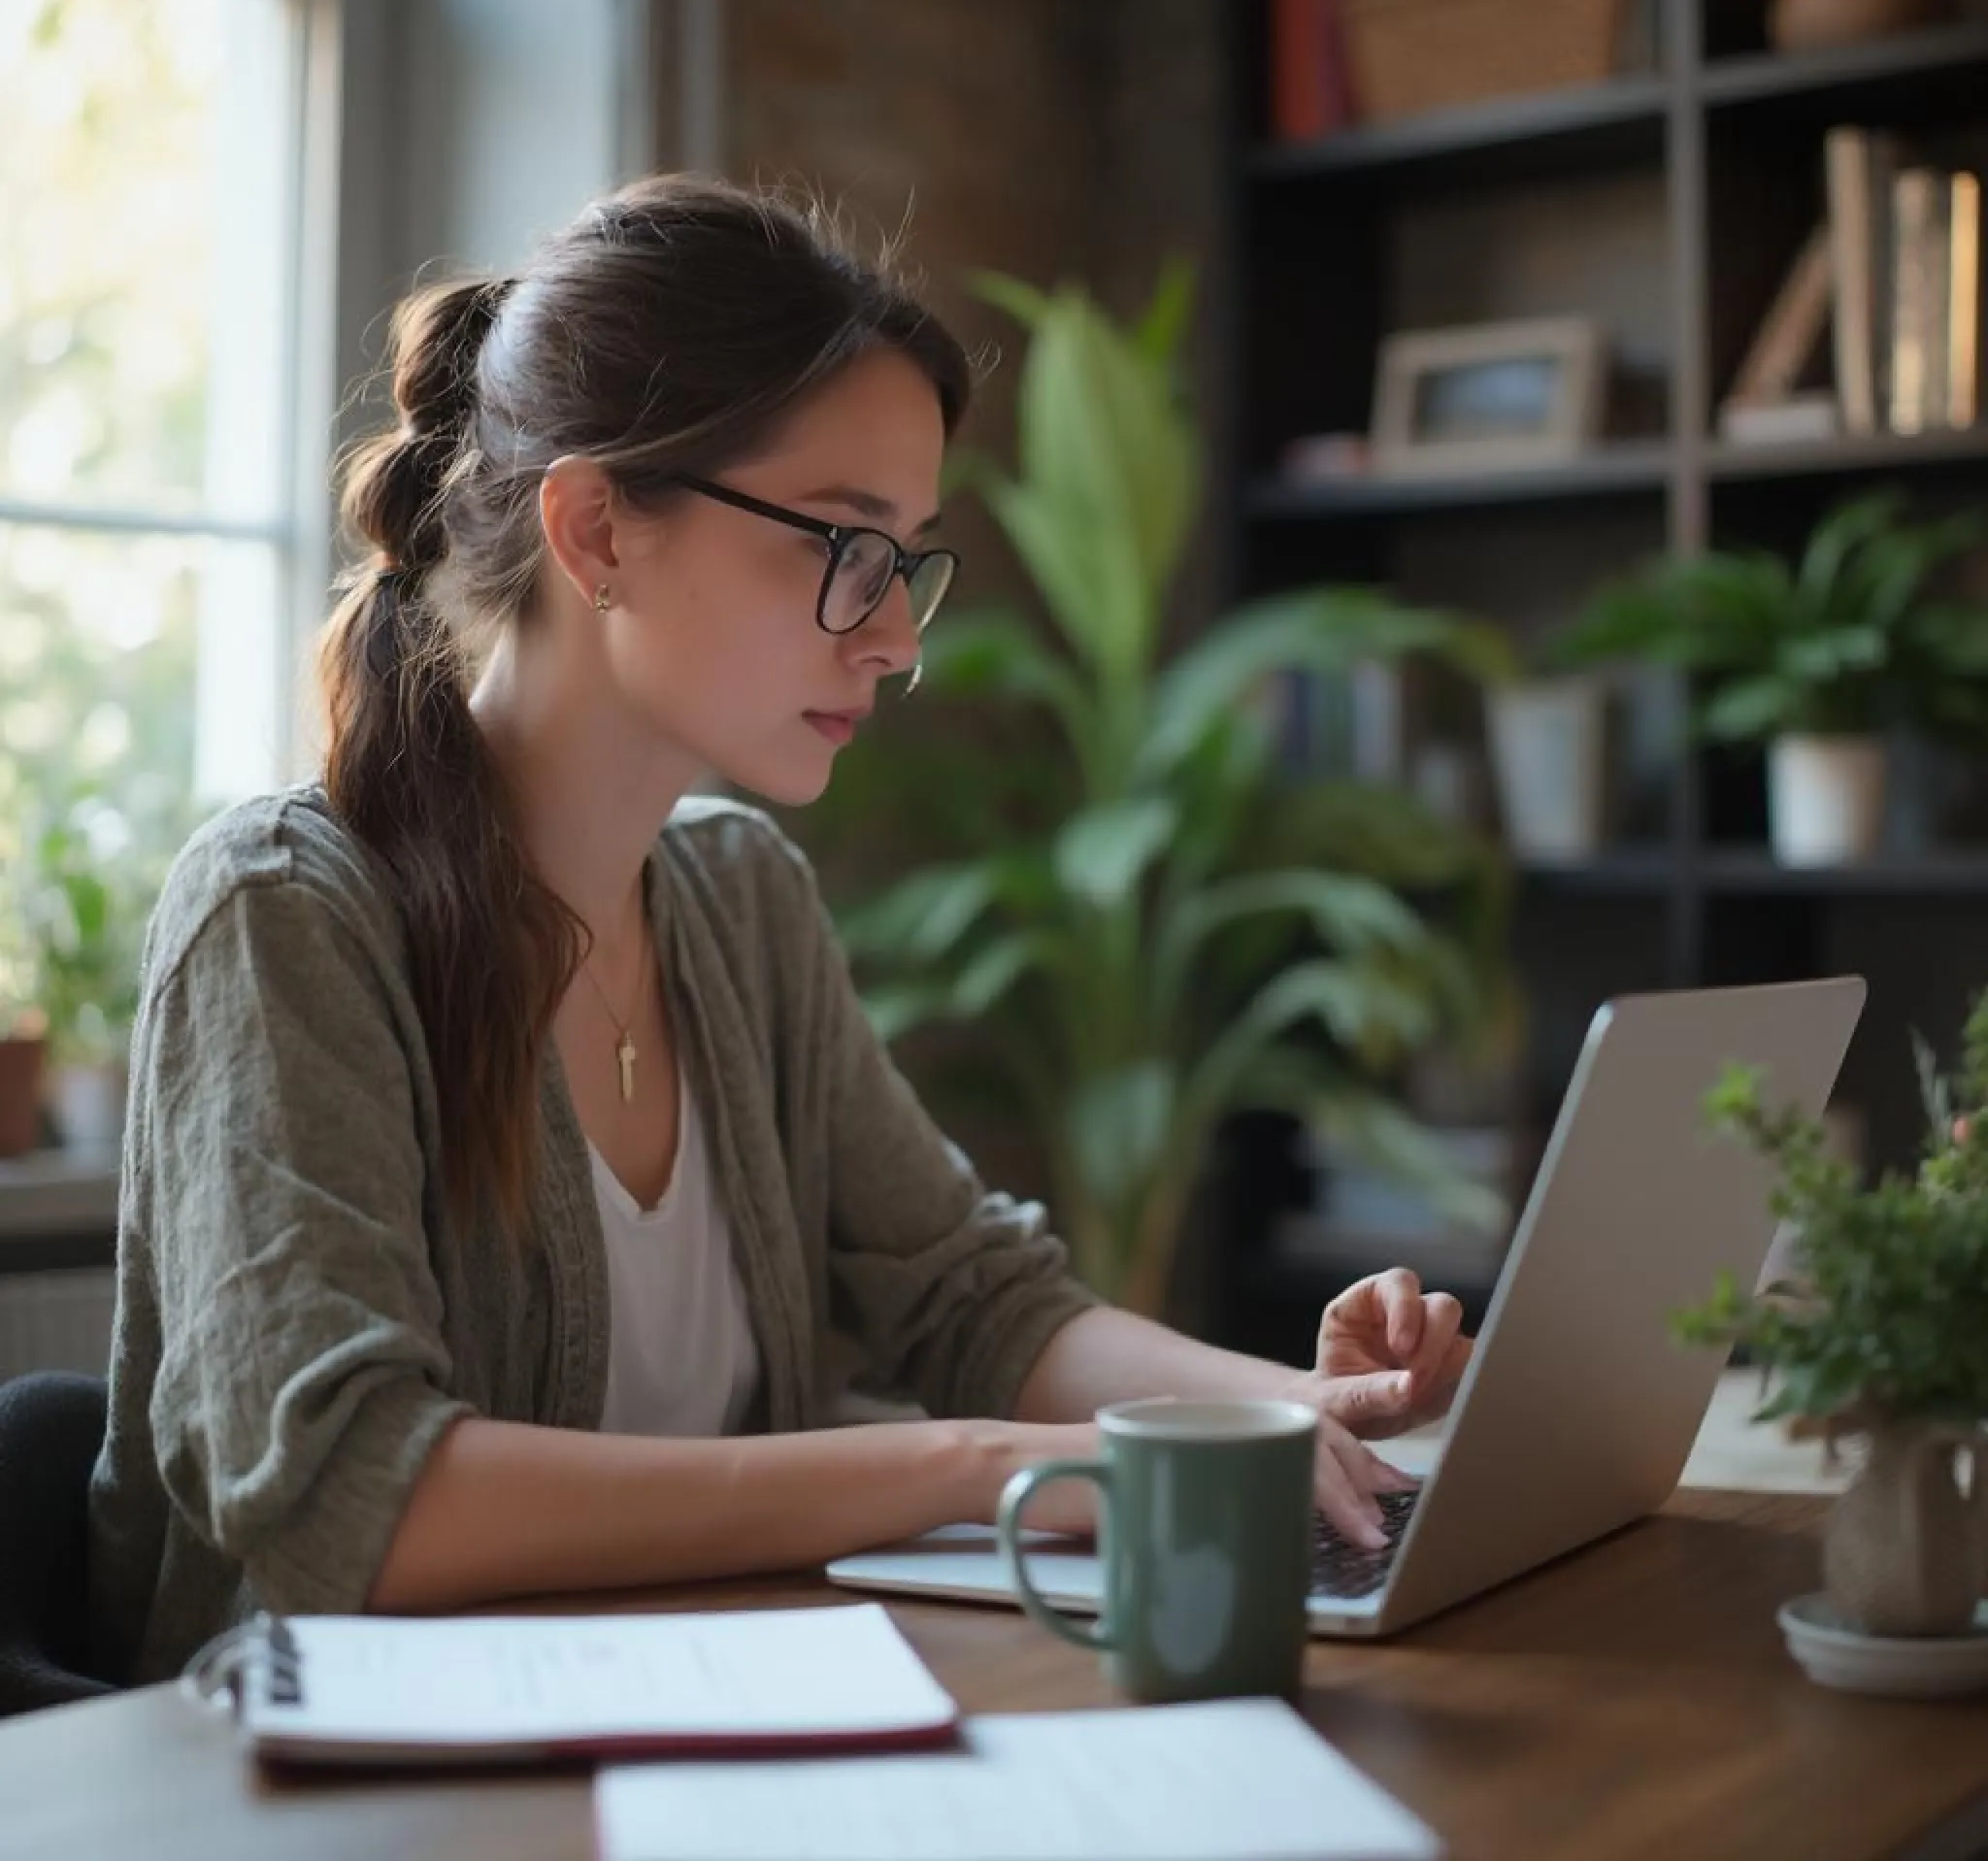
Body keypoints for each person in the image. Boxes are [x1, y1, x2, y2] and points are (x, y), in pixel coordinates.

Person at [86, 175, 1471, 1687]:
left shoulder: (739, 899)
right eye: (842, 547)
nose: (897, 637)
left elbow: (974, 1301)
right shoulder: (285, 913)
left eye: (907, 560)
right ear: (597, 530)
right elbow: (361, 1499)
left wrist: (1282, 1418)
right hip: (333, 1776)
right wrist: (976, 1467)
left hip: (710, 1733)